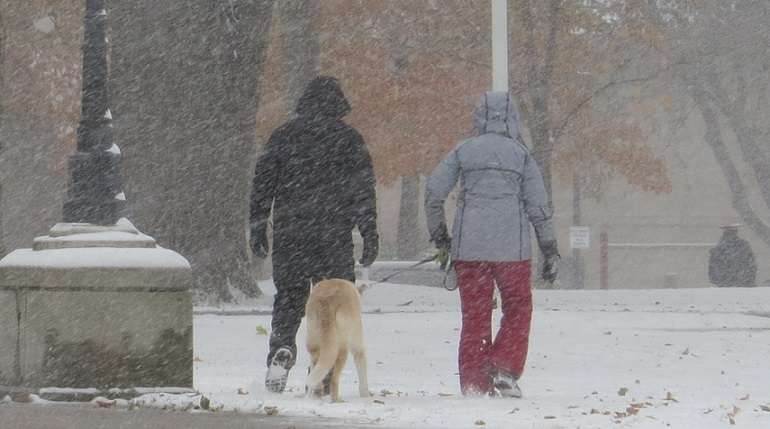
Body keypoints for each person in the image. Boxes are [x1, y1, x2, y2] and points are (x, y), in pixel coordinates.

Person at [425, 91, 559, 398]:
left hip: (469, 249)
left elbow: (434, 194)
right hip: (512, 250)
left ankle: (474, 382)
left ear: (478, 118)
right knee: (518, 307)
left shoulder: (463, 151)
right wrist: (548, 247)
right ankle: (505, 368)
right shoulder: (522, 155)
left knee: (475, 314)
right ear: (513, 119)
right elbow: (538, 206)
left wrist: (441, 236)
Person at [250, 76, 379, 393]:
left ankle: (281, 351)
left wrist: (257, 224)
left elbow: (263, 183)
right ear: (339, 104)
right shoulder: (349, 140)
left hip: (292, 232)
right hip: (333, 234)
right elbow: (363, 192)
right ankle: (322, 370)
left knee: (290, 299)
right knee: (331, 307)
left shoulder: (283, 136)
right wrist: (369, 232)